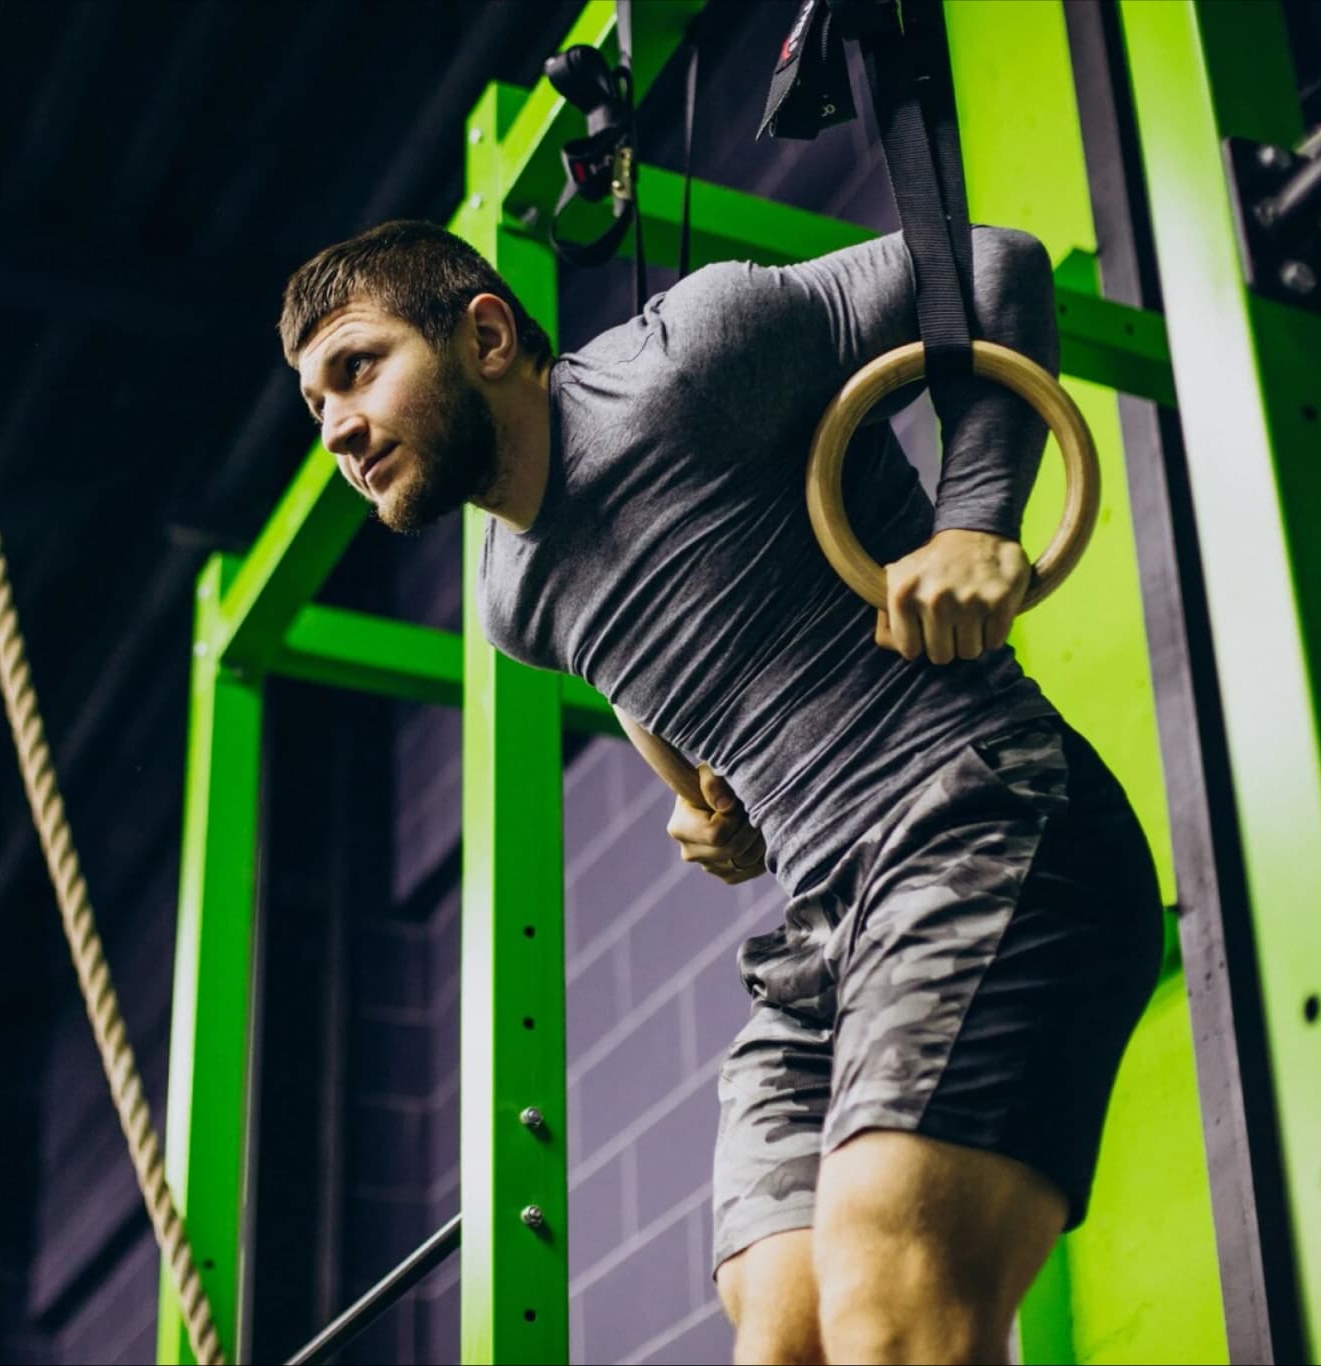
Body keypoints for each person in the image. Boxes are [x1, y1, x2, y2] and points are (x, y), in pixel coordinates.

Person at [280, 219, 1164, 1366]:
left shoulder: (684, 361)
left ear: (486, 334)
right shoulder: (510, 598)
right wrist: (705, 797)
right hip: (823, 929)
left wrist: (973, 520)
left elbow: (991, 264)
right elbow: (637, 653)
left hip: (978, 817)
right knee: (783, 1336)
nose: (338, 428)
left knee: (887, 1303)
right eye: (314, 405)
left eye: (356, 368)